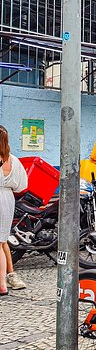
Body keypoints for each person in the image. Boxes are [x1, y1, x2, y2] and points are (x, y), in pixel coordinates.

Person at [0, 125, 28, 293]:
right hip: (8, 199)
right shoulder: (14, 160)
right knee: (2, 240)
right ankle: (10, 276)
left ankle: (2, 285)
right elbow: (21, 185)